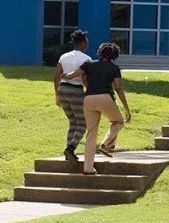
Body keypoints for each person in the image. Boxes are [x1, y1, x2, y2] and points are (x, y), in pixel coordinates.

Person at [73, 42, 131, 175]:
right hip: (105, 98)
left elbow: (78, 75)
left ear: (100, 52)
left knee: (91, 133)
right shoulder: (114, 68)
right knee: (118, 121)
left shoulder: (89, 64)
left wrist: (66, 77)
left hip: (88, 99)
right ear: (115, 55)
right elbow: (118, 89)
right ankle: (106, 145)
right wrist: (126, 109)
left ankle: (88, 168)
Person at [53, 30, 92, 162]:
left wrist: (57, 95)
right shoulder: (86, 59)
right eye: (86, 41)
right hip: (76, 90)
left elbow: (57, 76)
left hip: (62, 90)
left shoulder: (64, 56)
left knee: (73, 122)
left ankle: (68, 153)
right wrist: (90, 93)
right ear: (82, 43)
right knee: (83, 123)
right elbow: (85, 79)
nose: (88, 43)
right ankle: (70, 148)